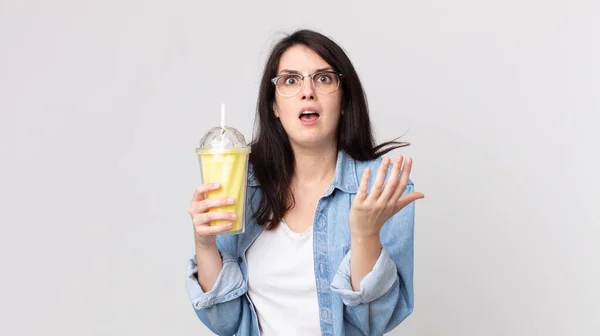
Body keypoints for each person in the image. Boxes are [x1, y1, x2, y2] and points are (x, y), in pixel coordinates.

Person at [186, 29, 425, 336]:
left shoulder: (381, 187)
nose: (307, 91)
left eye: (323, 78)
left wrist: (365, 235)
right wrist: (205, 244)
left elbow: (375, 322)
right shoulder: (242, 185)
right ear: (273, 106)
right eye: (290, 80)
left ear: (344, 101)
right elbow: (225, 321)